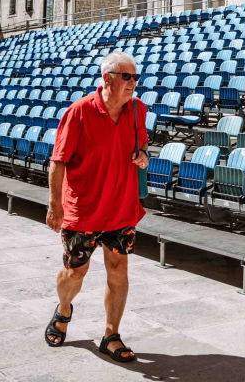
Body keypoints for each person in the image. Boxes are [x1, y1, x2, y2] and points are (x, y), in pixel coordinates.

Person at [44, 51, 149, 362]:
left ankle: (111, 334)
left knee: (118, 270)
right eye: (127, 77)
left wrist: (143, 156)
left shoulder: (137, 110)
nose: (133, 83)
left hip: (121, 208)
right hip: (83, 210)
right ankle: (63, 311)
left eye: (135, 77)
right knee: (74, 272)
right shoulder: (79, 112)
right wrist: (55, 205)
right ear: (108, 79)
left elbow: (141, 145)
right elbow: (58, 161)